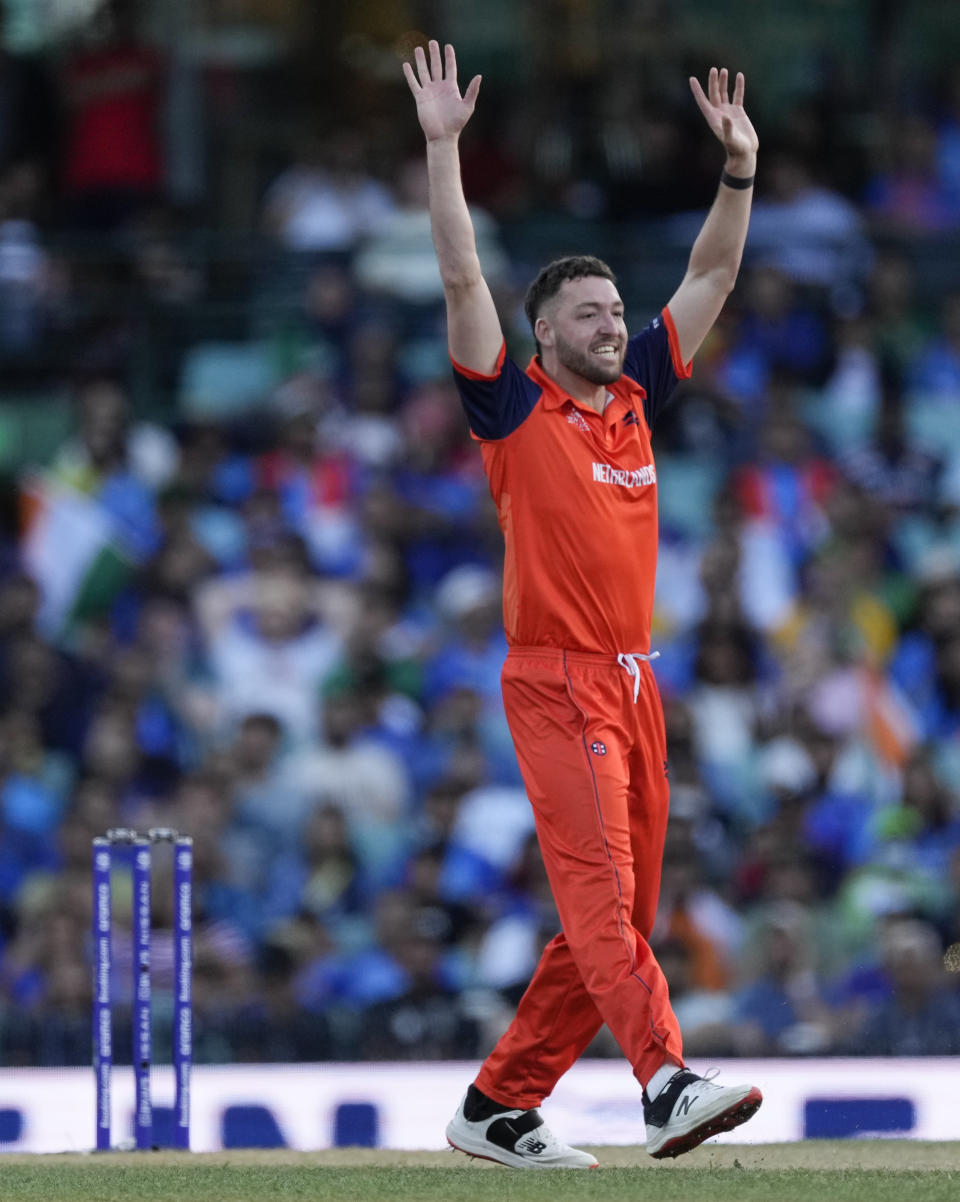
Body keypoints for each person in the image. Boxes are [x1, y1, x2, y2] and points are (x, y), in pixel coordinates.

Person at [404, 40, 763, 1168]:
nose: (616, 323)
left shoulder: (638, 396)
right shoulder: (512, 408)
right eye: (593, 314)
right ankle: (665, 1079)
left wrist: (739, 174)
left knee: (613, 917)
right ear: (547, 331)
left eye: (617, 310)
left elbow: (708, 278)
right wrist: (444, 149)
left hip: (634, 674)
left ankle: (500, 1107)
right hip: (554, 673)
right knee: (607, 902)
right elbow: (465, 278)